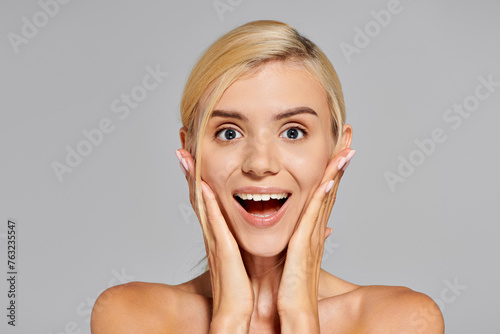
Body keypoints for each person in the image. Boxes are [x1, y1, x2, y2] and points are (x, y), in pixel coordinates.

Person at [91, 20, 444, 333]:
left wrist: (299, 315)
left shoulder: (400, 320)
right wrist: (229, 317)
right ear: (191, 153)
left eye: (293, 132)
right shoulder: (132, 316)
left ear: (337, 150)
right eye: (229, 133)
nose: (259, 164)